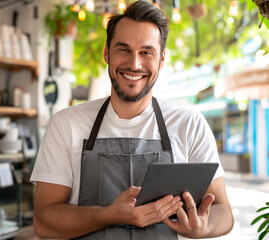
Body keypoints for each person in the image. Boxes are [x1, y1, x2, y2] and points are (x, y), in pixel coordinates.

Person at [30, 1, 233, 239]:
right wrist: (108, 215)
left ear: (162, 59)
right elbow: (44, 222)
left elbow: (224, 212)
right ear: (107, 52)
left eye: (146, 52)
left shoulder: (190, 124)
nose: (134, 64)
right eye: (123, 49)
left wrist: (203, 227)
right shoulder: (66, 124)